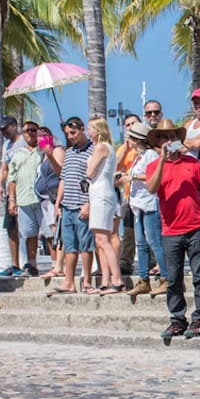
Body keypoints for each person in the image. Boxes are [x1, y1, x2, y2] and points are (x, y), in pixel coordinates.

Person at [146, 119, 200, 339]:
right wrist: (162, 162)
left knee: (199, 275)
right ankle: (177, 319)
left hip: (195, 225)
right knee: (173, 278)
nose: (169, 141)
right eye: (164, 137)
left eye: (172, 137)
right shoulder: (153, 166)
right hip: (171, 229)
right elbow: (152, 188)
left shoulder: (192, 163)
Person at [48, 117, 95, 295]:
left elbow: (93, 179)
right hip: (67, 206)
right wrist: (58, 203)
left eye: (73, 132)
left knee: (86, 245)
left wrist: (89, 203)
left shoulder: (92, 150)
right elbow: (63, 179)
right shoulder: (69, 152)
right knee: (69, 246)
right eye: (68, 134)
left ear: (82, 129)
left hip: (82, 205)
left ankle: (87, 280)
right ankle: (69, 281)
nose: (71, 136)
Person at [123, 122, 168, 297]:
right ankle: (143, 279)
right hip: (138, 204)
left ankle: (165, 278)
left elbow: (154, 175)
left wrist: (131, 176)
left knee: (155, 242)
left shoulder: (150, 155)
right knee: (141, 243)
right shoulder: (139, 156)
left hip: (150, 203)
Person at [85, 117, 122, 295]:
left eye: (90, 128)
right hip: (101, 193)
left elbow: (90, 172)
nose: (87, 131)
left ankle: (117, 279)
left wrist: (89, 161)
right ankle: (105, 280)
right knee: (100, 240)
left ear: (98, 131)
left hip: (101, 194)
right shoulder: (107, 148)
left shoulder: (101, 147)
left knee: (103, 240)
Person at [6, 121, 43, 276]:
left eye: (33, 130)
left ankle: (56, 266)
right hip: (23, 198)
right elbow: (12, 178)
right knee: (29, 234)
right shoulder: (17, 154)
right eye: (26, 131)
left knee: (49, 234)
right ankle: (31, 264)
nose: (30, 133)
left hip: (42, 198)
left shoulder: (43, 151)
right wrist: (12, 200)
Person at [0, 115, 25, 276]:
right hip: (11, 191)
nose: (4, 132)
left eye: (6, 128)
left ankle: (30, 263)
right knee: (11, 227)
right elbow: (4, 167)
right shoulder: (7, 145)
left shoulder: (24, 141)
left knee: (29, 228)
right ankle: (15, 265)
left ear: (14, 125)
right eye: (2, 130)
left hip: (25, 189)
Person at [35, 126, 66, 279]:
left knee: (60, 232)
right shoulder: (41, 155)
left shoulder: (57, 150)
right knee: (54, 232)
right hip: (45, 200)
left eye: (44, 135)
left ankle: (61, 265)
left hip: (56, 197)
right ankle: (57, 265)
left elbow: (61, 172)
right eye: (39, 136)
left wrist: (51, 155)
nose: (41, 138)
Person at [115, 113, 143, 275]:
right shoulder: (122, 149)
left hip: (146, 195)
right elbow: (115, 167)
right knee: (128, 231)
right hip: (128, 195)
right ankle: (126, 261)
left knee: (147, 231)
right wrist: (125, 148)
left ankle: (153, 261)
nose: (131, 127)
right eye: (128, 125)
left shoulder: (146, 146)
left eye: (134, 123)